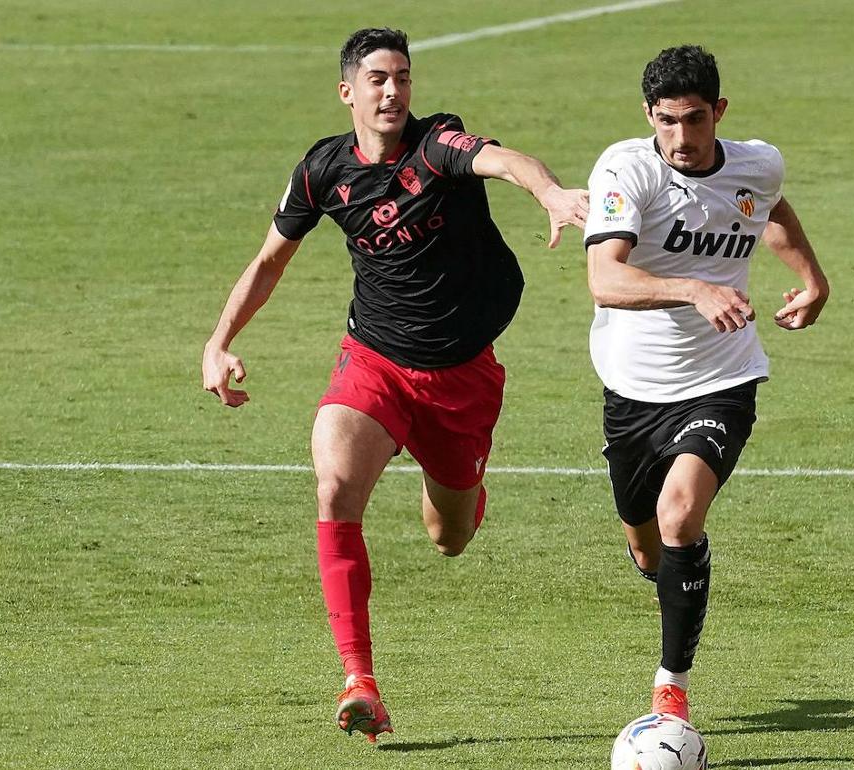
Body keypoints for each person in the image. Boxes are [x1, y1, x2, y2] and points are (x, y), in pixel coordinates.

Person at [201, 27, 587, 741]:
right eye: (378, 78)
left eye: (403, 77)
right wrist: (220, 341)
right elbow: (268, 261)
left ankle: (458, 484)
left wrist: (551, 193)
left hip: (462, 375)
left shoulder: (438, 145)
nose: (393, 91)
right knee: (334, 487)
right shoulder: (322, 170)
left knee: (451, 536)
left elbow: (504, 162)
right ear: (348, 90)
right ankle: (359, 680)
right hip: (373, 361)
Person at [582, 45, 830, 723]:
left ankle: (672, 687)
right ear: (647, 115)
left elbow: (770, 211)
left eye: (694, 120)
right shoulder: (626, 169)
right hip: (632, 389)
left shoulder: (758, 162)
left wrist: (813, 278)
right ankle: (669, 585)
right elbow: (605, 279)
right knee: (646, 545)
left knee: (680, 514)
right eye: (666, 121)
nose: (681, 138)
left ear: (719, 112)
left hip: (724, 375)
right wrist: (692, 288)